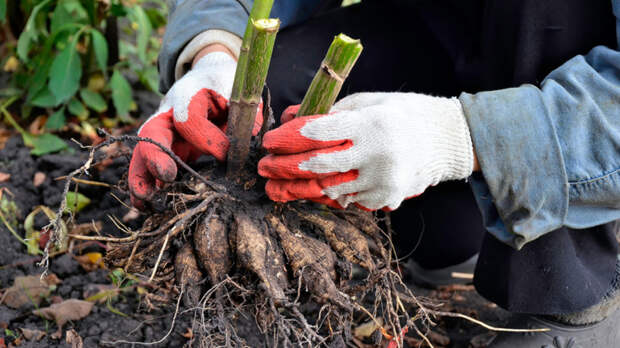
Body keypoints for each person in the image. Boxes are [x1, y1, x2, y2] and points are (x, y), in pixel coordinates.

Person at [128, 0, 620, 346]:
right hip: (442, 29)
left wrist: (458, 138)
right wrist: (214, 49)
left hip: (574, 75)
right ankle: (456, 223)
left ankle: (578, 293)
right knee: (266, 112)